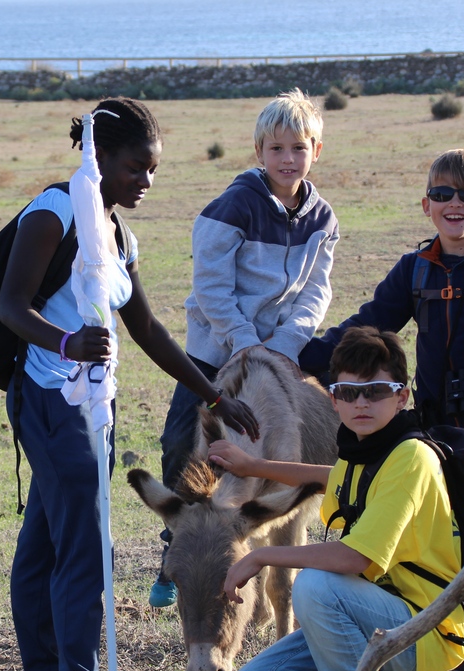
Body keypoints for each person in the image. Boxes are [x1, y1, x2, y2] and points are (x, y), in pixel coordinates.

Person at [0, 97, 260, 671]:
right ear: (100, 159)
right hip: (54, 402)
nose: (147, 180)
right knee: (82, 552)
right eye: (136, 168)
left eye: (154, 169)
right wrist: (66, 341)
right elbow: (10, 307)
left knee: (46, 544)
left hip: (94, 407)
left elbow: (143, 328)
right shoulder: (54, 214)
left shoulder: (117, 232)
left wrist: (214, 396)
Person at [298, 149, 464, 671]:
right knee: (443, 530)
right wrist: (306, 355)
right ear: (426, 204)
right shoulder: (415, 270)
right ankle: (434, 632)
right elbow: (370, 323)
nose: (454, 204)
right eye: (442, 194)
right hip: (432, 427)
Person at [209, 326, 464, 671]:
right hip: (373, 620)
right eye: (348, 393)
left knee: (317, 585)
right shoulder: (365, 452)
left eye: (376, 391)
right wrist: (254, 464)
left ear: (402, 396)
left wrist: (264, 556)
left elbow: (354, 558)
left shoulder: (410, 456)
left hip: (424, 623)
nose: (361, 403)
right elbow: (330, 479)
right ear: (333, 399)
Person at [150, 88, 338, 608]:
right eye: (276, 149)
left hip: (282, 353)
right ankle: (182, 545)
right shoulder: (230, 207)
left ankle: (282, 542)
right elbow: (212, 288)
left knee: (303, 435)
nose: (287, 158)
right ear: (259, 152)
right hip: (217, 350)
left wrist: (283, 345)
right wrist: (245, 345)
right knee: (179, 444)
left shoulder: (324, 219)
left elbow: (317, 290)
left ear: (315, 152)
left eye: (298, 148)